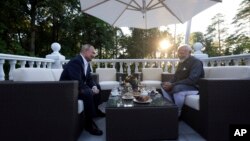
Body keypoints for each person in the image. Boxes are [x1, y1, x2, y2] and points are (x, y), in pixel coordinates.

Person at [60, 44, 105, 136]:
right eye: (93, 52)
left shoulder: (86, 63)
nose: (94, 54)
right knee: (88, 93)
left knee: (98, 86)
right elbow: (77, 80)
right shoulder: (75, 62)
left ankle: (96, 111)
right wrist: (90, 90)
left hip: (75, 87)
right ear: (85, 51)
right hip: (67, 90)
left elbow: (89, 79)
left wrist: (94, 87)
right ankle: (88, 125)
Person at [161, 44, 204, 116]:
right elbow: (175, 77)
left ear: (189, 52)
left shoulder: (196, 62)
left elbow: (192, 80)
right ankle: (171, 107)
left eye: (183, 51)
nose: (181, 54)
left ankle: (178, 112)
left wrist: (173, 84)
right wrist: (169, 83)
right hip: (182, 85)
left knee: (177, 88)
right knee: (163, 85)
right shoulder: (181, 62)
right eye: (179, 52)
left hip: (194, 87)